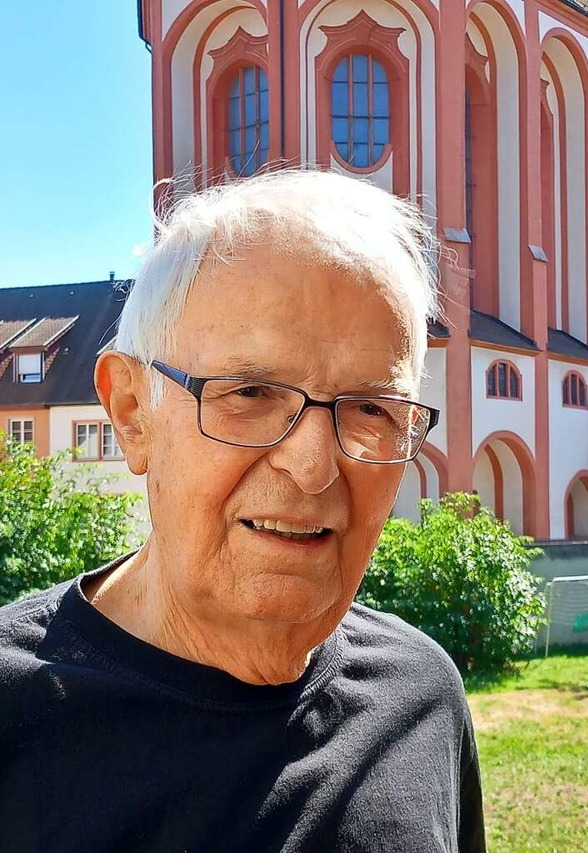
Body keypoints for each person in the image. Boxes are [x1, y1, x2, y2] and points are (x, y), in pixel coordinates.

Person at [0, 169, 485, 852]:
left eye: (373, 408)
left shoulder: (421, 697)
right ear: (132, 414)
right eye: (252, 391)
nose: (314, 466)